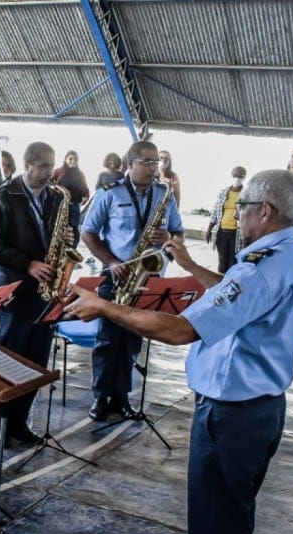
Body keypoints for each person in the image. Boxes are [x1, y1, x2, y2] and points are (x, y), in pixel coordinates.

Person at [64, 169, 293, 534]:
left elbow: (181, 330)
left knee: (218, 517)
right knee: (229, 513)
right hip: (260, 408)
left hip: (233, 413)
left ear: (265, 212)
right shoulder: (286, 259)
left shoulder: (260, 269)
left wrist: (104, 307)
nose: (238, 218)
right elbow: (235, 295)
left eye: (243, 209)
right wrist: (189, 264)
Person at [0, 142, 79, 447]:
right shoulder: (3, 196)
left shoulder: (57, 198)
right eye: (44, 166)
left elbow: (65, 235)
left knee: (36, 363)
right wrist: (28, 264)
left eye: (51, 165)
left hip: (45, 294)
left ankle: (20, 422)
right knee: (8, 361)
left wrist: (69, 236)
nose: (50, 172)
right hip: (15, 293)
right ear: (27, 165)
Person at [80, 140, 184, 422]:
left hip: (148, 278)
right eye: (147, 162)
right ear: (131, 163)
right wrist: (112, 262)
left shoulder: (165, 195)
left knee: (132, 340)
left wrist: (169, 238)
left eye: (156, 163)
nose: (153, 168)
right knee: (108, 339)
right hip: (118, 274)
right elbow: (88, 232)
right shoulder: (109, 193)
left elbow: (179, 233)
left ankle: (122, 397)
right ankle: (100, 396)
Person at [206, 166, 247, 273]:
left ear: (244, 178)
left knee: (233, 261)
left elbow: (250, 213)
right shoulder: (224, 192)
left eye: (240, 176)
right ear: (232, 175)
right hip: (222, 231)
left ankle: (231, 281)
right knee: (222, 260)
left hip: (237, 234)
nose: (237, 178)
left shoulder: (247, 194)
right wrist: (209, 228)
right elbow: (215, 211)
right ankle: (221, 280)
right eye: (235, 176)